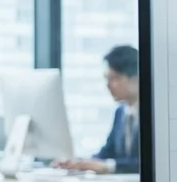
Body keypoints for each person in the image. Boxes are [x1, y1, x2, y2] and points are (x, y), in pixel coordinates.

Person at [55, 45, 140, 174]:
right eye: (107, 79)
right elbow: (107, 152)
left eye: (115, 78)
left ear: (136, 78)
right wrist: (80, 162)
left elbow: (151, 161)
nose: (108, 85)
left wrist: (108, 166)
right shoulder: (121, 112)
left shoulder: (155, 114)